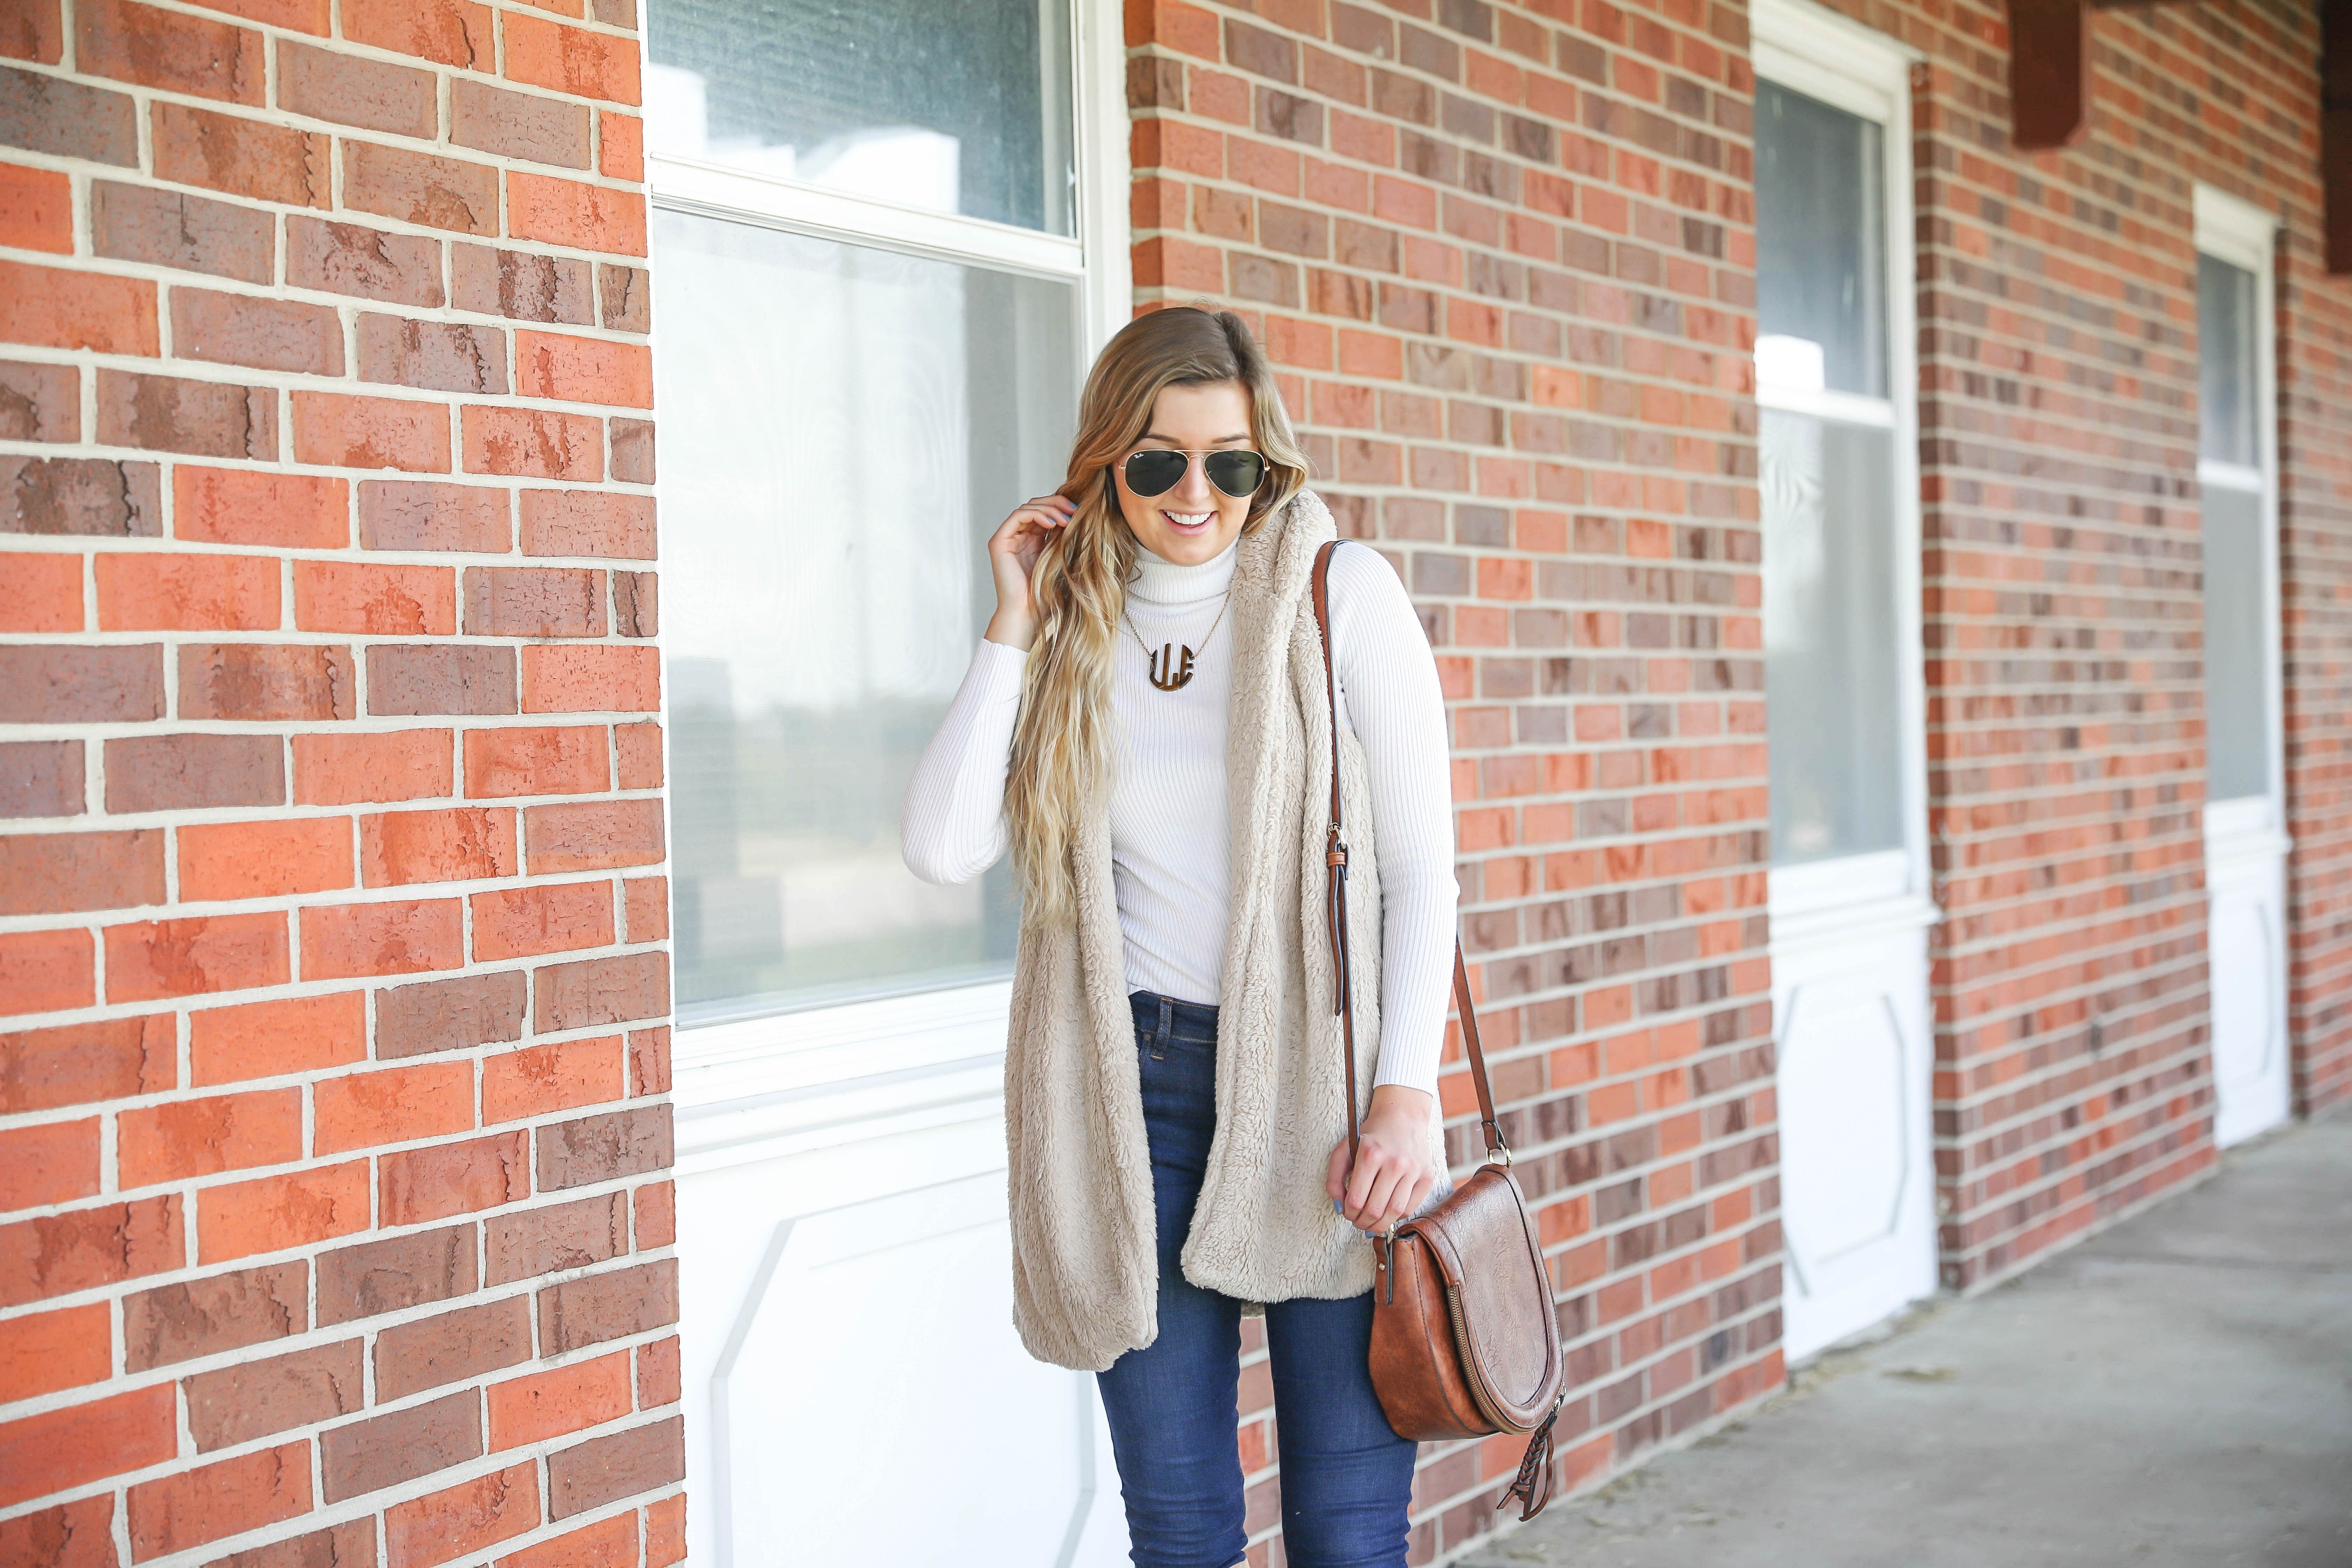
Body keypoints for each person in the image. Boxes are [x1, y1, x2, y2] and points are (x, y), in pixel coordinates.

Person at [902, 305, 1458, 1568]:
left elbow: (1424, 869)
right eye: (1157, 460)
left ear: (1269, 463)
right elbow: (942, 846)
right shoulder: (1074, 623)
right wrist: (1013, 620)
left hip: (1329, 1093)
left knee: (1349, 1533)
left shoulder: (1341, 592)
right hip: (1130, 1096)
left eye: (1231, 462)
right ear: (1105, 459)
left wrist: (1407, 1092)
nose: (1195, 492)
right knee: (1183, 1528)